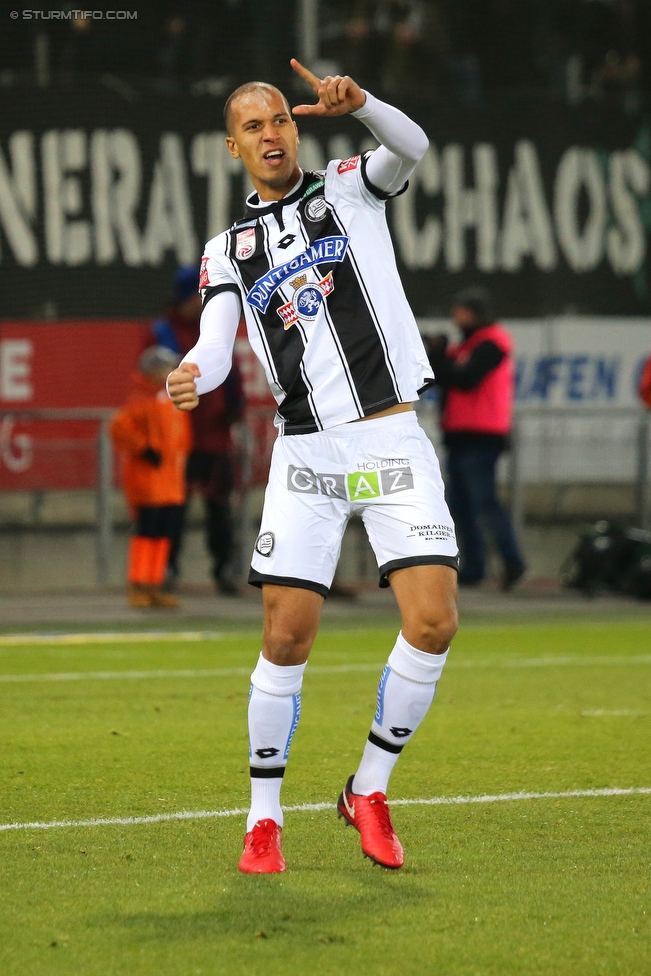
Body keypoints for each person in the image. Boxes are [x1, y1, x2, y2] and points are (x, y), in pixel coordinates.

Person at [167, 59, 459, 874]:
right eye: (253, 126)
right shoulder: (227, 249)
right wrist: (194, 373)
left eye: (280, 121)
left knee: (433, 622)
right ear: (233, 146)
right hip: (306, 453)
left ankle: (367, 788)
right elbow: (217, 346)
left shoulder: (349, 188)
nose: (270, 133)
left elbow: (414, 145)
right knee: (286, 637)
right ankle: (263, 820)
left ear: (297, 130)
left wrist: (363, 105)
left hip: (390, 439)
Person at [152, 266, 246, 596]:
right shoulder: (162, 331)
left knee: (219, 508)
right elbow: (153, 380)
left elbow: (232, 374)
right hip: (178, 438)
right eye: (195, 295)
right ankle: (165, 570)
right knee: (171, 509)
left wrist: (234, 409)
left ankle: (224, 570)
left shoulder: (214, 328)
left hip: (213, 435)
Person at [425, 288, 526, 590]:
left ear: (476, 313)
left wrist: (439, 356)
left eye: (462, 311)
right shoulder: (468, 344)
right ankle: (474, 566)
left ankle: (512, 562)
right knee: (461, 504)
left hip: (482, 433)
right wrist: (439, 355)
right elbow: (441, 375)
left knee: (483, 501)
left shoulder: (492, 342)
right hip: (459, 433)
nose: (457, 317)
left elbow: (465, 378)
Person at [110, 346, 192, 609]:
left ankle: (154, 585)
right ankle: (138, 585)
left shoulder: (169, 398)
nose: (171, 371)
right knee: (146, 533)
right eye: (166, 367)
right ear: (153, 370)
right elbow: (119, 427)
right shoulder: (141, 398)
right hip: (147, 481)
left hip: (171, 481)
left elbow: (181, 438)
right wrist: (143, 449)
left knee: (163, 534)